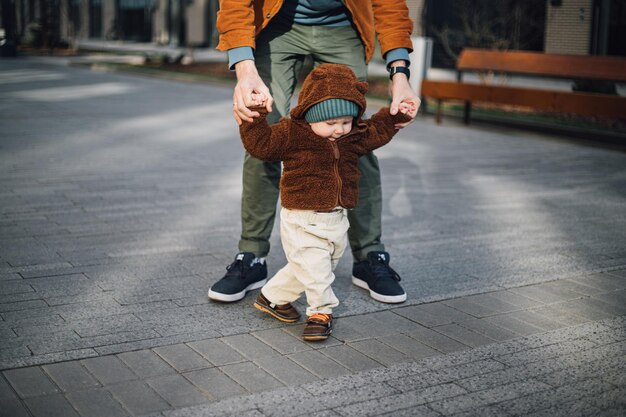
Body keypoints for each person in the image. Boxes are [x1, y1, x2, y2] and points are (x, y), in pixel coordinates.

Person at [208, 0, 420, 304]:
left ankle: (369, 255)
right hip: (276, 24)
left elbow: (389, 4)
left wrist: (400, 75)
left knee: (352, 140)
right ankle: (252, 255)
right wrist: (245, 68)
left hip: (343, 27)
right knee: (264, 131)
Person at [240, 63, 417, 340]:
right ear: (311, 116)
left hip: (336, 220)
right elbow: (261, 145)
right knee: (318, 274)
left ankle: (272, 297)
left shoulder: (351, 136)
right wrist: (254, 116)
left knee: (311, 269)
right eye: (330, 123)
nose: (339, 130)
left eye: (346, 122)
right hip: (302, 218)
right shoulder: (292, 134)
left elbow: (375, 131)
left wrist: (394, 118)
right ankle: (320, 312)